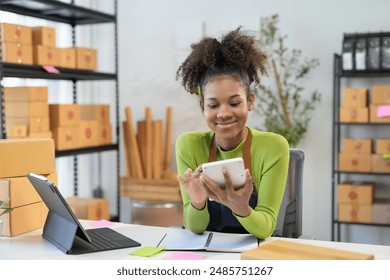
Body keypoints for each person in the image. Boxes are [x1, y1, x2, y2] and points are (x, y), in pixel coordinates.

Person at [175, 27, 290, 240]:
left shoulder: (273, 147)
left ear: (251, 101)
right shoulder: (188, 145)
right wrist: (199, 201)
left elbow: (265, 228)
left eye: (235, 102)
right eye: (213, 105)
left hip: (256, 255)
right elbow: (195, 227)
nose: (224, 113)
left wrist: (240, 207)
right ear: (203, 108)